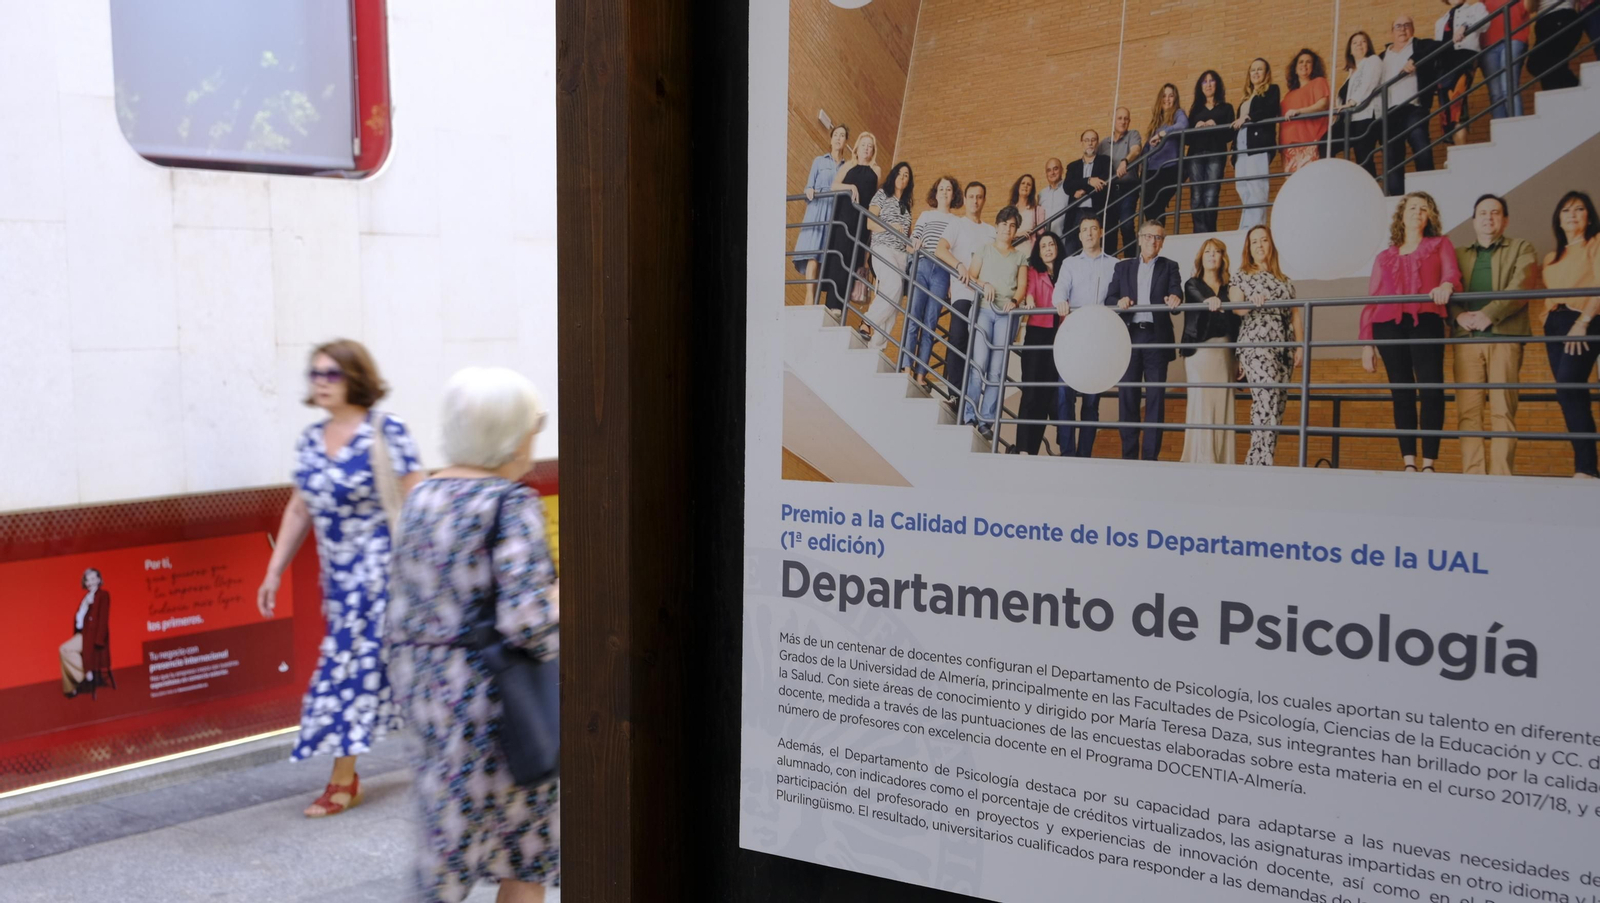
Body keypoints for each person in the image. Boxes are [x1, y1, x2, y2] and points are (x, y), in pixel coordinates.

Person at [388, 367, 559, 903]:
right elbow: (529, 622)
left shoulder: (421, 499)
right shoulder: (511, 505)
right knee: (525, 852)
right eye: (536, 423)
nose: (538, 433)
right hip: (498, 706)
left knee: (444, 855)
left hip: (428, 696)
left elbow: (403, 605)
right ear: (510, 434)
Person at [257, 339, 423, 817]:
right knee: (393, 671)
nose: (320, 383)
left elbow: (419, 499)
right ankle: (464, 750)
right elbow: (298, 507)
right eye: (314, 374)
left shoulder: (386, 431)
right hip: (339, 583)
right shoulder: (311, 439)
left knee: (347, 670)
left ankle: (343, 780)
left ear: (355, 378)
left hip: (384, 578)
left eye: (330, 374)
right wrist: (273, 572)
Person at [1360, 192, 1463, 473]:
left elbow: (1451, 273)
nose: (1418, 212)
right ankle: (1408, 462)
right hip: (1387, 325)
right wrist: (1366, 344)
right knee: (1402, 390)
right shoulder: (1384, 256)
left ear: (1430, 216)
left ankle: (1429, 462)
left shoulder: (1440, 244)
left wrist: (1446, 287)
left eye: (1424, 208)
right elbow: (1373, 300)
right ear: (1402, 215)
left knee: (1431, 387)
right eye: (1412, 207)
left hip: (1426, 319)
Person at [1450, 194, 1539, 475]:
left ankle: (1502, 478)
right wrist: (1458, 316)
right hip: (1466, 342)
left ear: (1505, 219)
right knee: (1468, 413)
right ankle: (1473, 476)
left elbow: (1522, 285)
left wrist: (1489, 313)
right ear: (1474, 220)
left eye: (1495, 212)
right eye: (1483, 213)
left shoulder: (1522, 247)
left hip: (1504, 338)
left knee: (1503, 411)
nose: (1489, 217)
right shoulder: (1458, 254)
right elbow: (1445, 288)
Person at [1106, 221, 1184, 461]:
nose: (1153, 241)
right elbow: (1110, 296)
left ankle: (1150, 459)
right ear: (1140, 239)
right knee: (1127, 398)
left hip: (1156, 337)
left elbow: (1176, 292)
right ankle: (1129, 458)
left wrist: (1175, 298)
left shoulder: (1170, 266)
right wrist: (1119, 302)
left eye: (1159, 238)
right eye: (1149, 236)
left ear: (1162, 243)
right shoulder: (1124, 267)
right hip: (1129, 336)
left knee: (1155, 400)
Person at [1229, 225, 1304, 465]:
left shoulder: (1286, 281)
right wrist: (1251, 301)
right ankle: (1258, 460)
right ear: (1248, 248)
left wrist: (1300, 346)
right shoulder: (1242, 275)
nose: (1260, 245)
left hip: (1283, 347)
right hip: (1256, 343)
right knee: (1265, 396)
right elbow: (1236, 307)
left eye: (1264, 240)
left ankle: (1263, 457)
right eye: (1254, 242)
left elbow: (1295, 315)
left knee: (1277, 404)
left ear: (1272, 245)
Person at [1540, 190, 1600, 478]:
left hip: (1584, 320)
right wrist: (1545, 320)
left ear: (1588, 217)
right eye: (1566, 210)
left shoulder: (1596, 244)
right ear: (1558, 219)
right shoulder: (1552, 257)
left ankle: (1586, 468)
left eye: (1579, 209)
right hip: (1555, 324)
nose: (1572, 215)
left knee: (1568, 386)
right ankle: (1586, 467)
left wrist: (1584, 321)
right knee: (1569, 393)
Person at [1051, 217, 1122, 456]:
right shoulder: (1070, 264)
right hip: (1073, 336)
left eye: (1093, 229)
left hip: (1099, 339)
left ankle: (1084, 454)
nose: (1089, 233)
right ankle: (1068, 453)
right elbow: (1060, 288)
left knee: (1092, 401)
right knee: (1064, 395)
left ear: (1101, 232)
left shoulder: (1114, 264)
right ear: (1079, 236)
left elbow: (1119, 294)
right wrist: (1060, 300)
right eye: (1084, 230)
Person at [962, 206, 1030, 436]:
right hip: (983, 309)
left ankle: (986, 422)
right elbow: (971, 276)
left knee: (996, 370)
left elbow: (1022, 286)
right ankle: (969, 416)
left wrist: (1015, 300)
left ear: (1015, 230)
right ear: (997, 225)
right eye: (1004, 224)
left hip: (1005, 315)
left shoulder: (1020, 256)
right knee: (979, 362)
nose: (1008, 229)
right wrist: (984, 285)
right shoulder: (984, 249)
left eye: (1012, 226)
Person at [935, 182, 995, 411]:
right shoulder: (956, 223)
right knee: (958, 340)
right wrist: (959, 266)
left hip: (985, 298)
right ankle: (956, 395)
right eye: (971, 196)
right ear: (966, 198)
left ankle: (972, 400)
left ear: (984, 200)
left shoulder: (990, 231)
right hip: (963, 293)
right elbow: (940, 249)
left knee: (979, 348)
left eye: (979, 197)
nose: (975, 201)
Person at [1182, 239, 1240, 464]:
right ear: (1201, 257)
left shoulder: (1230, 288)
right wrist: (1210, 300)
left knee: (1223, 401)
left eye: (1216, 252)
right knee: (1202, 401)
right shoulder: (1192, 284)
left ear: (1222, 257)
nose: (1212, 255)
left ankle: (1224, 458)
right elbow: (1199, 299)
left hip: (1225, 352)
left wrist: (1239, 357)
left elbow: (1237, 322)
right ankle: (1203, 457)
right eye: (1208, 252)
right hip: (1200, 351)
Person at [902, 175, 962, 388]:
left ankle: (920, 374)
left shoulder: (957, 222)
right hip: (923, 265)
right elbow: (911, 244)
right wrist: (915, 242)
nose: (945, 192)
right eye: (941, 189)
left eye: (948, 189)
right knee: (914, 316)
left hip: (943, 272)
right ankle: (907, 367)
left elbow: (956, 252)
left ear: (953, 194)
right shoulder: (926, 215)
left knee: (930, 323)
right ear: (935, 193)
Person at [1014, 232, 1068, 455]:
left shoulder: (1066, 271)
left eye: (1051, 244)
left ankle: (1034, 450)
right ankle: (1023, 449)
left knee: (1047, 397)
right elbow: (1030, 292)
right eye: (1043, 245)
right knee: (1031, 394)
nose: (1047, 249)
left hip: (1059, 337)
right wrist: (1029, 299)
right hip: (1037, 335)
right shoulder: (1034, 271)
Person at [1380, 16, 1443, 196]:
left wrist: (1414, 59)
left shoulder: (1419, 46)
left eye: (1407, 25)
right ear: (1391, 32)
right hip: (1390, 111)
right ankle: (1398, 200)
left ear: (1412, 29)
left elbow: (1438, 46)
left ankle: (1428, 192)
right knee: (1392, 157)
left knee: (1420, 142)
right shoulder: (1383, 56)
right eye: (1398, 26)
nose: (1402, 29)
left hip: (1414, 106)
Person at [822, 131, 882, 314]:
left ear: (873, 151)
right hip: (844, 217)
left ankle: (840, 307)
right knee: (838, 258)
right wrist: (851, 187)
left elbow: (876, 198)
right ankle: (831, 304)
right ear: (857, 147)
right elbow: (834, 186)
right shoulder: (848, 166)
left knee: (853, 260)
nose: (866, 148)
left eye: (869, 146)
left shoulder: (876, 170)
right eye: (863, 145)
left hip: (861, 221)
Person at [793, 124, 849, 306]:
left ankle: (819, 298)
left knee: (827, 257)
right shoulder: (819, 161)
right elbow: (809, 185)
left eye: (842, 136)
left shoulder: (847, 167)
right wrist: (809, 189)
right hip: (818, 209)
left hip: (836, 213)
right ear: (831, 139)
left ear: (846, 141)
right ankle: (809, 297)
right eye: (836, 135)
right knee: (814, 255)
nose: (839, 138)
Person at [865, 161, 915, 353]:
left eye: (906, 176)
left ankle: (876, 348)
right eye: (900, 174)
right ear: (893, 175)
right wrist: (891, 228)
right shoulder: (882, 195)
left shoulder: (906, 205)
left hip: (901, 254)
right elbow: (870, 223)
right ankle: (868, 322)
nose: (902, 178)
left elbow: (907, 235)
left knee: (894, 303)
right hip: (882, 248)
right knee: (893, 286)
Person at [1232, 59, 1281, 231]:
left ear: (1266, 73)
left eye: (1260, 69)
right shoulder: (1246, 97)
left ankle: (1257, 227)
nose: (1256, 73)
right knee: (1243, 187)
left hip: (1257, 144)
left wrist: (1248, 117)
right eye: (1252, 70)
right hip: (1242, 145)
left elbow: (1270, 109)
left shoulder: (1272, 90)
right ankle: (1247, 226)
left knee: (1257, 186)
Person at [1186, 71, 1234, 234]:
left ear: (1217, 84)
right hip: (1196, 155)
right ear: (1200, 87)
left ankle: (1209, 233)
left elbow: (1230, 135)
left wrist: (1216, 124)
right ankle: (1199, 234)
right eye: (1204, 82)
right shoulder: (1195, 109)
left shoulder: (1226, 108)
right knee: (1197, 196)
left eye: (1211, 81)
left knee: (1211, 195)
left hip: (1216, 154)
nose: (1208, 84)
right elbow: (1186, 138)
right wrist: (1195, 127)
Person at [1435, 0, 1490, 138]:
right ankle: (1454, 150)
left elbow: (1485, 23)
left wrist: (1464, 26)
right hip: (1445, 65)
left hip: (1464, 58)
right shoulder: (1441, 20)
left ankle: (1461, 149)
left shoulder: (1475, 8)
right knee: (1446, 110)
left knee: (1456, 103)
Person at [1139, 84, 1190, 226]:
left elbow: (1183, 125)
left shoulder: (1178, 114)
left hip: (1169, 168)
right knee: (1148, 207)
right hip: (1150, 171)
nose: (1167, 99)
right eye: (1164, 95)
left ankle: (1158, 240)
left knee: (1158, 204)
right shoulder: (1156, 120)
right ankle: (1153, 239)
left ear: (1175, 98)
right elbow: (1148, 146)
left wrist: (1163, 134)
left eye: (1171, 95)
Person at [1099, 107, 1145, 255]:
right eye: (1120, 118)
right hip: (1110, 191)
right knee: (1109, 229)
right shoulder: (1104, 144)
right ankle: (1110, 264)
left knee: (1127, 224)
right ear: (1113, 120)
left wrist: (1125, 161)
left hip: (1128, 188)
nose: (1123, 121)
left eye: (1126, 118)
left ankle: (1130, 260)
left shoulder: (1133, 134)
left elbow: (1136, 150)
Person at [1339, 31, 1386, 174]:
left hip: (1366, 115)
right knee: (1326, 144)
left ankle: (1371, 192)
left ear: (1368, 45)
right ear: (1350, 50)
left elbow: (1370, 83)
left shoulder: (1373, 60)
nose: (1359, 44)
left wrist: (1353, 102)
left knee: (1363, 157)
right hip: (1350, 118)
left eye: (1363, 41)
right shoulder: (1352, 71)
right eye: (1355, 42)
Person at [59, 568, 110, 698]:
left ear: (99, 580)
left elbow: (103, 620)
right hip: (82, 634)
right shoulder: (86, 597)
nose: (91, 582)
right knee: (63, 650)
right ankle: (72, 687)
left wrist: (98, 641)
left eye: (93, 579)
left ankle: (83, 678)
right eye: (88, 580)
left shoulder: (102, 595)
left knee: (64, 650)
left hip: (92, 636)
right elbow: (80, 618)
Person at [1281, 49, 1332, 172]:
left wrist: (1300, 111)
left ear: (1313, 66)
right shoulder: (1288, 96)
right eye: (1301, 62)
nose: (1304, 65)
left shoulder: (1318, 82)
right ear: (1295, 68)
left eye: (1308, 62)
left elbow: (1322, 104)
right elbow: (1282, 125)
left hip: (1310, 142)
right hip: (1290, 148)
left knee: (1312, 181)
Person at [1482, 0, 1534, 118]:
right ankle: (1501, 132)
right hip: (1488, 43)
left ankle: (1517, 127)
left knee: (1508, 87)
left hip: (1514, 37)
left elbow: (1529, 7)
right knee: (1495, 93)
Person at [1063, 130, 1112, 254]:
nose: (1090, 143)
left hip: (1096, 210)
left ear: (1097, 143)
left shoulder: (1105, 161)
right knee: (1071, 251)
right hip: (1076, 213)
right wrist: (1089, 181)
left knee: (1096, 250)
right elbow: (1067, 186)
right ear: (1082, 143)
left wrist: (1083, 189)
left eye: (1093, 140)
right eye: (1086, 140)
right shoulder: (1072, 166)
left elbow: (1103, 181)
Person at [1528, 0, 1582, 90]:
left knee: (1537, 64)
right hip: (1560, 17)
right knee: (1552, 64)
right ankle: (1566, 92)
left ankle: (1575, 86)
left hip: (1555, 17)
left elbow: (1530, 7)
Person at [1040, 157, 1071, 241]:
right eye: (1049, 170)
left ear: (1062, 170)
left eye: (1055, 169)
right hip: (1047, 241)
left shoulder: (1068, 187)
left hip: (1065, 238)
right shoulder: (1042, 194)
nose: (1052, 173)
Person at [1010, 173, 1044, 248]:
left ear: (1032, 190)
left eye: (1029, 184)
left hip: (1029, 254)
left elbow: (1041, 234)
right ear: (1018, 186)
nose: (1025, 186)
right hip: (1012, 253)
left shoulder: (1037, 210)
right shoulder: (1010, 210)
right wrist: (1017, 234)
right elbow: (1003, 234)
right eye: (1023, 183)